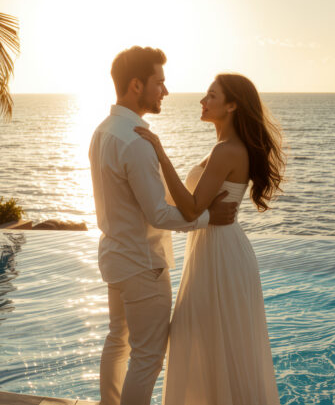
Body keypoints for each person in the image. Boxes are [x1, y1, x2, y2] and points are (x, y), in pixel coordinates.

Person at [89, 46, 239, 405]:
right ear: (137, 85)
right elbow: (158, 214)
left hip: (115, 257)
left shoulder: (103, 132)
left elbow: (140, 202)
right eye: (160, 83)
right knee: (148, 358)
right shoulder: (136, 141)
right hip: (143, 264)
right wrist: (206, 218)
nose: (166, 91)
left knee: (117, 341)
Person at [134, 73, 284, 405]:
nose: (203, 101)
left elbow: (190, 209)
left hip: (221, 254)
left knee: (212, 339)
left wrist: (160, 152)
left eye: (211, 96)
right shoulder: (222, 148)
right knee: (205, 339)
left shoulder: (227, 151)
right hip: (214, 247)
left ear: (232, 105)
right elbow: (188, 205)